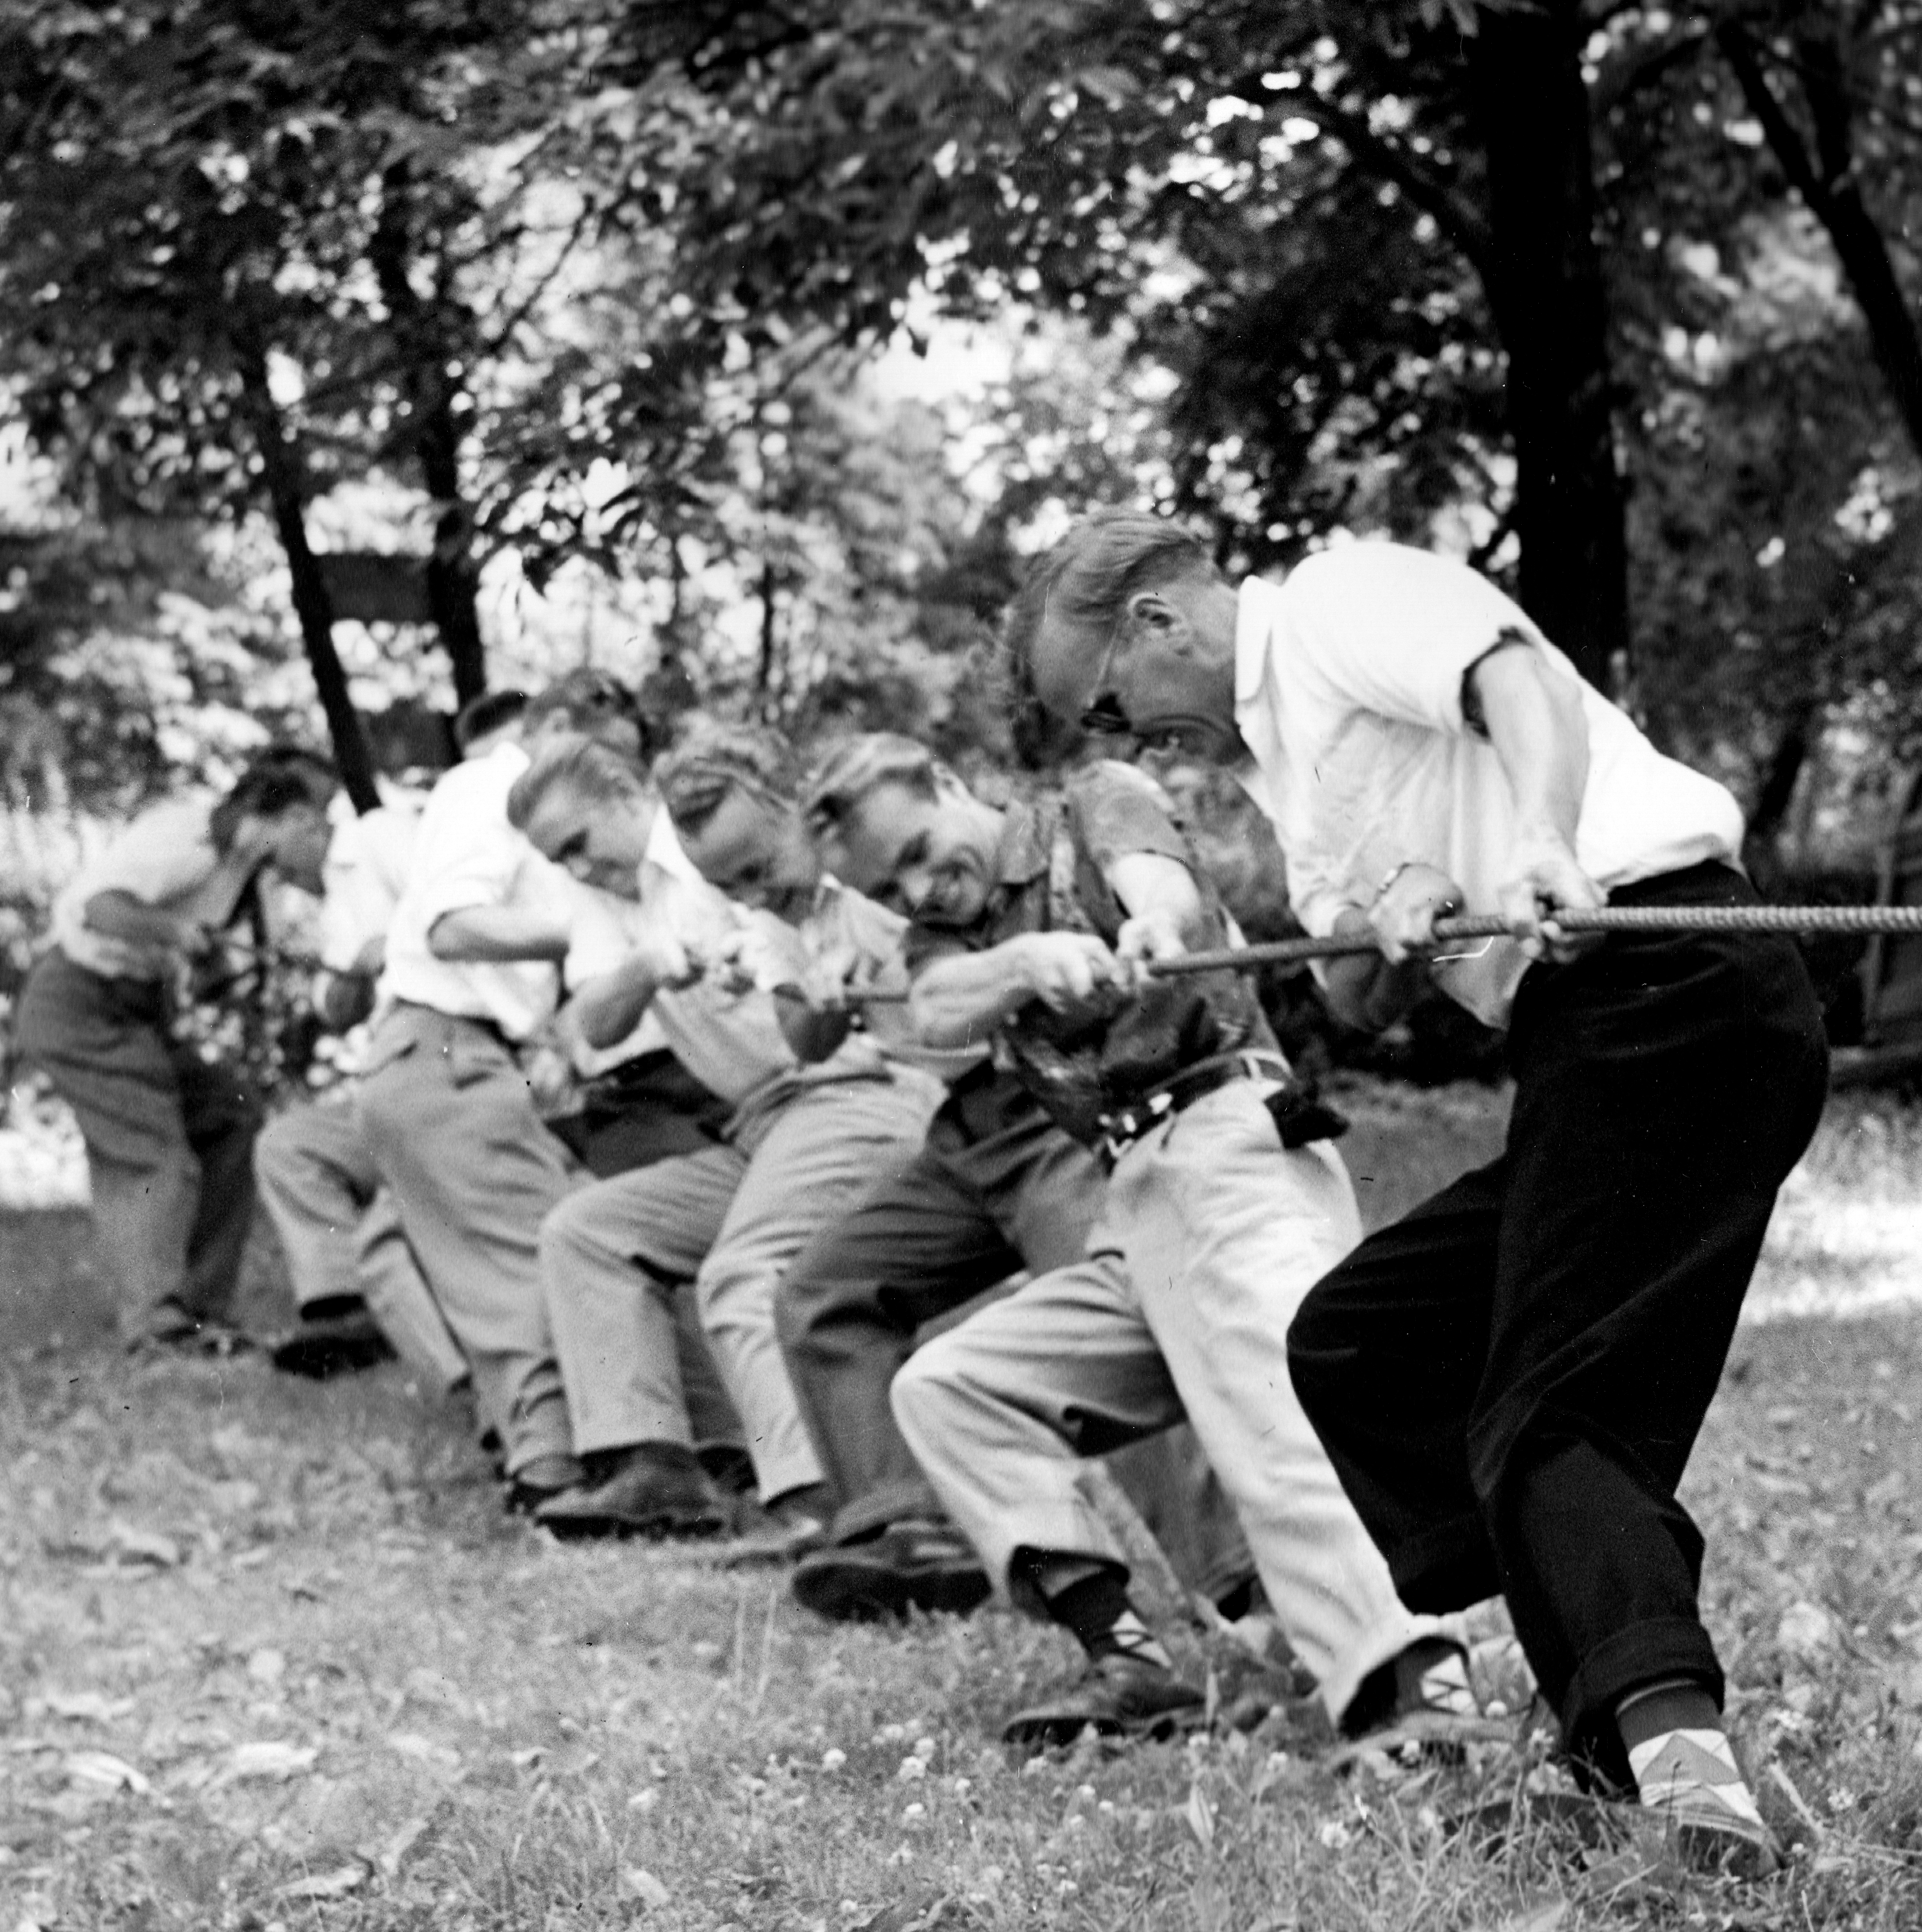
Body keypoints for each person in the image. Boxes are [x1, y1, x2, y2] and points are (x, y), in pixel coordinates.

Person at [1004, 511, 1832, 1871]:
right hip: (1599, 1036)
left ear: (1155, 619)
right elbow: (1358, 988)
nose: (1130, 740)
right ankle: (1592, 1667)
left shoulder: (1336, 606)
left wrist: (1547, 844)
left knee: (1547, 1420)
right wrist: (1395, 916)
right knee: (1366, 1342)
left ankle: (1688, 1791)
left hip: (1670, 978)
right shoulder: (1289, 765)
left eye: (1111, 705)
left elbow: (1519, 678)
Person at [807, 732, 1475, 1752]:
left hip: (1230, 1141)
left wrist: (1150, 928)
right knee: (950, 1389)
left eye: (918, 851)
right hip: (1136, 1196)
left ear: (949, 783)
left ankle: (1425, 1693)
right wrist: (1029, 962)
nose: (918, 891)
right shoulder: (946, 943)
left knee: (1279, 1407)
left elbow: (1155, 883)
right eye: (890, 889)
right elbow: (940, 1005)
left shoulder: (1087, 804)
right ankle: (1129, 1662)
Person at [659, 728, 1260, 1624]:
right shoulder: (799, 915)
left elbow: (986, 976)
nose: (756, 891)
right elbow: (831, 1031)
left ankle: (1238, 1584)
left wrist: (1048, 959)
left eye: (759, 864)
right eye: (731, 886)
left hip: (1055, 1107)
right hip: (962, 1130)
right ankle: (910, 1530)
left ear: (799, 809)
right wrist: (819, 1006)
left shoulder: (967, 852)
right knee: (824, 1291)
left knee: (1121, 1311)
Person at [511, 728, 946, 1547]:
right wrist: (648, 966)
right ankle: (650, 1469)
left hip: (847, 1093)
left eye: (577, 843)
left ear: (629, 798)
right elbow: (591, 1030)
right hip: (761, 1126)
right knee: (588, 1231)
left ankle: (819, 1503)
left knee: (744, 1272)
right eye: (555, 860)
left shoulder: (721, 849)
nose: (574, 868)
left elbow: (836, 936)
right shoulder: (608, 901)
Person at [351, 671, 665, 1510]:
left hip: (449, 1055)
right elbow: (450, 925)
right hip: (445, 1048)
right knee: (530, 1258)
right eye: (603, 758)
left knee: (492, 1267)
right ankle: (554, 1463)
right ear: (558, 725)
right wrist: (600, 933)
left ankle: (542, 1459)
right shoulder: (491, 784)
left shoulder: (510, 801)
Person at [12, 746, 340, 1355]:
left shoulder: (246, 867)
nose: (326, 837)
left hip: (137, 1007)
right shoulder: (186, 838)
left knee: (230, 1117)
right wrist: (177, 936)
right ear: (289, 817)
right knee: (153, 1153)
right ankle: (157, 1328)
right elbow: (100, 908)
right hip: (80, 1003)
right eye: (320, 821)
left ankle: (201, 1311)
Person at [248, 699, 531, 1385]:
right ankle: (342, 1312)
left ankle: (470, 1378)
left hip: (458, 1045)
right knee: (290, 1145)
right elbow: (338, 1013)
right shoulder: (321, 907)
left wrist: (391, 942)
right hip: (392, 1072)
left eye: (271, 852)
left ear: (304, 824)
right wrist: (348, 972)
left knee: (398, 1218)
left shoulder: (377, 839)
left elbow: (451, 905)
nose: (270, 873)